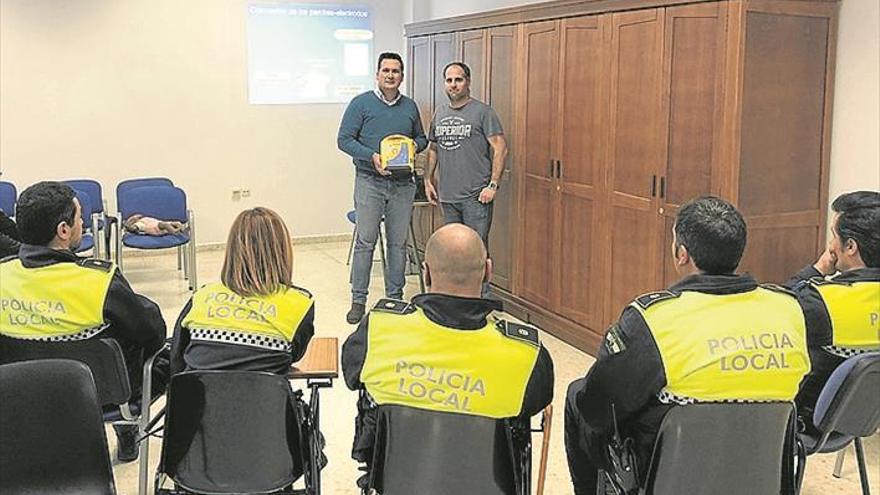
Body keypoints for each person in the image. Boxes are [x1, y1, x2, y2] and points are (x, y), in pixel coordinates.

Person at [564, 196, 811, 494]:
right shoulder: (787, 309)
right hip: (761, 472)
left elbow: (600, 403)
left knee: (580, 395)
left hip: (668, 475)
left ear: (682, 254)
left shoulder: (655, 319)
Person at [341, 223, 554, 489]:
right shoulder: (526, 354)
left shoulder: (378, 330)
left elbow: (351, 375)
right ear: (488, 271)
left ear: (426, 272)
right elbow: (537, 401)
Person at [0, 181, 168, 462]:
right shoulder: (98, 281)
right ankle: (127, 429)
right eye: (79, 218)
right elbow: (152, 334)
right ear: (63, 231)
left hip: (22, 395)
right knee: (167, 354)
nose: (82, 224)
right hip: (105, 398)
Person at [337, 52, 428, 324]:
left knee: (398, 245)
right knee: (365, 242)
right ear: (377, 74)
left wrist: (413, 147)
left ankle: (395, 298)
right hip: (369, 182)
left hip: (402, 185)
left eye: (396, 71)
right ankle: (359, 300)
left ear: (402, 76)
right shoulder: (360, 104)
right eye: (386, 70)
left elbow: (421, 138)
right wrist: (371, 156)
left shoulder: (410, 107)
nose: (391, 75)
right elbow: (344, 139)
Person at [169, 207, 315, 375]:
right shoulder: (299, 303)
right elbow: (292, 356)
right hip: (266, 399)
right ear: (283, 250)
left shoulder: (202, 297)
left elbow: (177, 358)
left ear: (232, 248)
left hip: (196, 399)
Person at [784, 191, 880, 436]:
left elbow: (777, 305)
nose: (831, 245)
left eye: (833, 236)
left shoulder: (821, 302)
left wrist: (816, 270)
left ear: (850, 246)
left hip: (808, 423)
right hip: (867, 417)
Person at [425, 62, 507, 295]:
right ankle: (454, 299)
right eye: (449, 80)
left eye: (458, 79)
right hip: (448, 196)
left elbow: (500, 148)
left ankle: (482, 302)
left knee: (477, 253)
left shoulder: (483, 112)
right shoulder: (440, 112)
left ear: (468, 82)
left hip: (475, 198)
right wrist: (428, 181)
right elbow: (433, 149)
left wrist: (493, 185)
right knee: (451, 253)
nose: (453, 84)